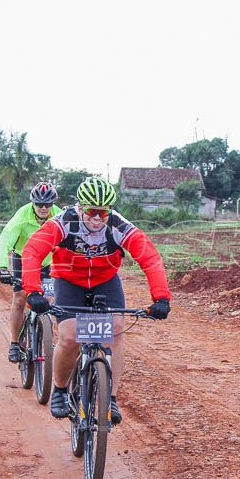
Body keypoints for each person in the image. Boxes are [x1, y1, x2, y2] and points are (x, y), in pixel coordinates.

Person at [21, 176, 171, 425]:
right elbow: (33, 251)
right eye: (91, 211)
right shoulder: (63, 223)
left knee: (115, 331)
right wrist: (33, 292)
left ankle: (111, 398)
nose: (97, 218)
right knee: (69, 337)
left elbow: (151, 259)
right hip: (69, 281)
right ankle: (59, 390)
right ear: (80, 208)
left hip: (105, 281)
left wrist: (161, 297)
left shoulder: (119, 226)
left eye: (103, 212)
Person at [0, 182, 62, 363]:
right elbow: (3, 242)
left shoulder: (59, 215)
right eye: (39, 204)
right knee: (20, 296)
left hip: (47, 261)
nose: (43, 208)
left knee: (51, 298)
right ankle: (15, 343)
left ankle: (47, 336)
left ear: (53, 203)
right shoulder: (22, 216)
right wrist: (2, 268)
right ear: (32, 202)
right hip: (23, 259)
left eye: (47, 204)